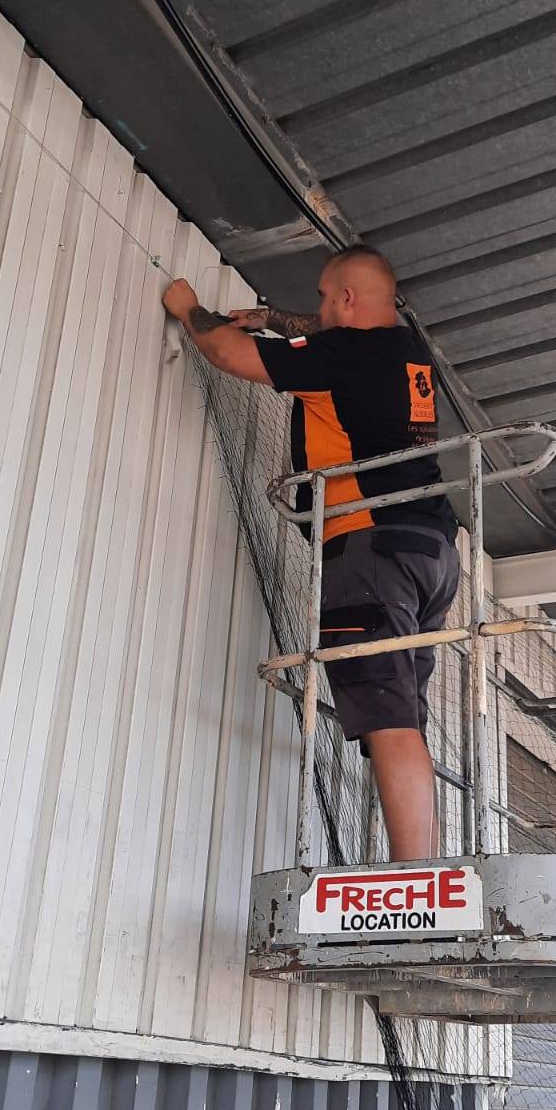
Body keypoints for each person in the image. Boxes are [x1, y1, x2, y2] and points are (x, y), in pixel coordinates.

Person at [161, 247, 459, 861]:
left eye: (326, 297)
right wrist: (273, 317)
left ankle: (417, 882)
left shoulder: (342, 355)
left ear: (348, 299)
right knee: (400, 717)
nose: (319, 309)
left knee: (386, 716)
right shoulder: (407, 351)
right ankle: (425, 865)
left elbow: (226, 353)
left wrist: (189, 308)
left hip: (371, 544)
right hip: (431, 552)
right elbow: (318, 339)